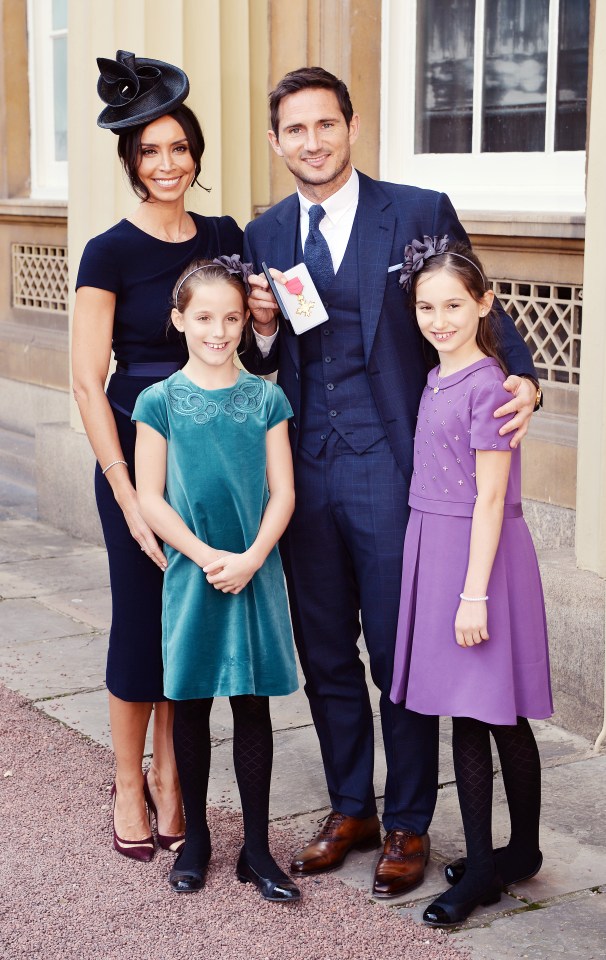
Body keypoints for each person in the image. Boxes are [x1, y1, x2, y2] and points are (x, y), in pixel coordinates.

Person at [239, 66, 542, 897]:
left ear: (351, 125)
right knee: (327, 649)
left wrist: (526, 377)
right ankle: (352, 809)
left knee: (400, 655)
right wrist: (262, 332)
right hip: (306, 470)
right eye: (295, 130)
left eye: (325, 125)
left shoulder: (414, 211)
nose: (312, 141)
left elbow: (482, 303)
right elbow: (263, 355)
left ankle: (407, 821)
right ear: (276, 143)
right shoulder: (262, 235)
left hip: (397, 466)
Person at [72, 50, 243, 861]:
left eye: (178, 147)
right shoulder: (108, 252)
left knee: (192, 622)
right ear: (130, 162)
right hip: (136, 457)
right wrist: (124, 488)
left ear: (196, 154)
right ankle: (128, 782)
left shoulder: (225, 237)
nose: (167, 163)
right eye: (150, 151)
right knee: (142, 622)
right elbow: (84, 379)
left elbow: (253, 345)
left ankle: (176, 778)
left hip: (212, 456)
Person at [389, 240, 552, 926]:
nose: (439, 318)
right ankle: (520, 850)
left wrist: (474, 593)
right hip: (440, 543)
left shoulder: (488, 386)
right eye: (426, 306)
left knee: (479, 710)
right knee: (494, 709)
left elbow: (490, 498)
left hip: (478, 558)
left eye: (454, 304)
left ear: (485, 303)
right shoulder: (436, 377)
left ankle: (489, 866)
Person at [132, 259, 300, 901]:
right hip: (194, 572)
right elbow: (151, 496)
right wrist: (204, 556)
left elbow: (283, 492)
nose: (219, 330)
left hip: (254, 570)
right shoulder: (159, 401)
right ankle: (197, 838)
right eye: (204, 317)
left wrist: (253, 555)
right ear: (179, 321)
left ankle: (256, 851)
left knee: (253, 706)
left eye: (232, 318)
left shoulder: (266, 397)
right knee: (193, 705)